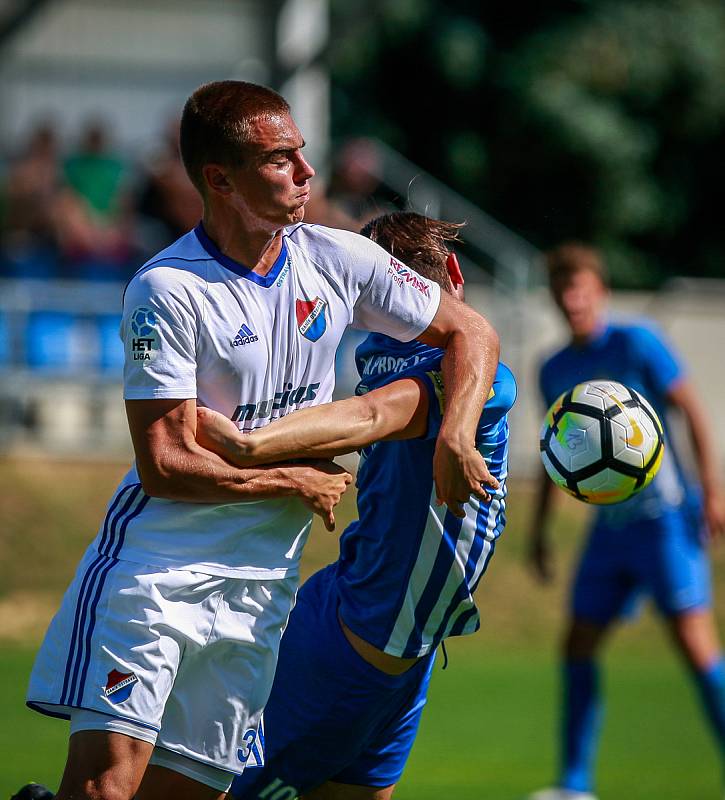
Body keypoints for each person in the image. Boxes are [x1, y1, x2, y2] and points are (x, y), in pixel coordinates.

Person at [22, 81, 500, 800]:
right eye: (281, 161)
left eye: (302, 155)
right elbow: (164, 463)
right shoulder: (169, 288)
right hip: (157, 578)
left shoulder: (337, 259)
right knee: (106, 790)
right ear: (220, 178)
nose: (306, 174)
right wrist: (287, 480)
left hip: (259, 593)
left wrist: (455, 434)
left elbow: (471, 329)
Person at [192, 210, 516, 800]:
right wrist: (248, 444)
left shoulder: (377, 356)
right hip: (357, 641)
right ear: (452, 270)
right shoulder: (470, 374)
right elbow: (371, 415)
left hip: (403, 646)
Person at [526, 243, 725, 800]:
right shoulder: (555, 369)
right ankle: (574, 785)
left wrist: (712, 493)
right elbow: (557, 459)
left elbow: (691, 410)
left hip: (665, 522)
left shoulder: (637, 343)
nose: (573, 300)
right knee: (577, 644)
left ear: (600, 292)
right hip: (609, 532)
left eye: (581, 289)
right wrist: (541, 531)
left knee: (694, 644)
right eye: (563, 292)